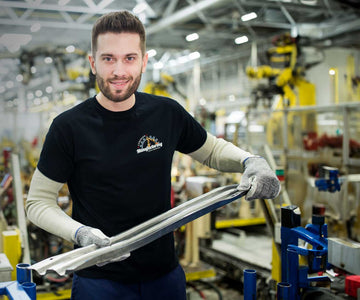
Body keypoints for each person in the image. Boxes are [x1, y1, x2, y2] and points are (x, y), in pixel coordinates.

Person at [26, 10, 280, 300]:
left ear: (144, 61)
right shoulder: (68, 127)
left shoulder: (166, 113)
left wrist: (251, 161)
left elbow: (212, 151)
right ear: (92, 63)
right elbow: (38, 203)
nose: (119, 71)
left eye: (129, 58)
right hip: (99, 282)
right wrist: (80, 232)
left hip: (165, 278)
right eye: (108, 58)